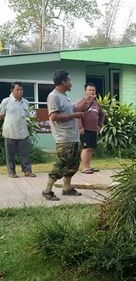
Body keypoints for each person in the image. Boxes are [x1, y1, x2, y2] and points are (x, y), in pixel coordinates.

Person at [42, 70, 85, 201]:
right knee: (61, 164)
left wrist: (85, 102)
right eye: (69, 80)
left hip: (73, 136)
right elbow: (54, 116)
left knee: (73, 164)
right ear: (63, 82)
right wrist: (75, 115)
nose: (71, 83)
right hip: (64, 138)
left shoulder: (65, 96)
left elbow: (73, 110)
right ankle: (47, 190)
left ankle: (67, 188)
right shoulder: (53, 96)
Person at [0, 82, 36, 178]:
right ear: (12, 90)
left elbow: (28, 115)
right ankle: (11, 172)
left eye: (21, 90)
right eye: (17, 90)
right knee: (10, 154)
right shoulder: (6, 101)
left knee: (25, 153)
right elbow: (1, 115)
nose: (20, 92)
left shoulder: (26, 102)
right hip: (9, 132)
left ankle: (27, 171)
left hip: (23, 131)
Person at [75, 83, 104, 174]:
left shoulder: (96, 103)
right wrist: (80, 127)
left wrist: (100, 125)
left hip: (93, 129)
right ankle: (85, 168)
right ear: (85, 91)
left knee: (90, 148)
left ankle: (88, 166)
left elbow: (102, 114)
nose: (92, 92)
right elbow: (77, 114)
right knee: (86, 148)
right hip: (84, 129)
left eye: (93, 90)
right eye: (89, 90)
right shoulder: (81, 102)